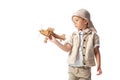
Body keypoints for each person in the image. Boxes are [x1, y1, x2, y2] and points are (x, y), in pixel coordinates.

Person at [49, 9, 102, 80]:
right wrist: (55, 42)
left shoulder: (94, 36)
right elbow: (67, 49)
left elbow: (97, 52)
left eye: (77, 20)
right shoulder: (73, 35)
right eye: (74, 22)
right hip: (72, 69)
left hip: (85, 70)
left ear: (85, 21)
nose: (75, 23)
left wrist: (99, 65)